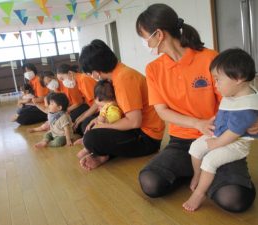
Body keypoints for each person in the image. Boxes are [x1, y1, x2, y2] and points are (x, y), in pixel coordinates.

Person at [136, 3, 256, 212]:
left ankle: (205, 176)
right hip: (181, 142)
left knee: (234, 199)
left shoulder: (209, 58)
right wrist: (196, 123)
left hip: (221, 138)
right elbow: (161, 111)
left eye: (144, 36)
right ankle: (200, 172)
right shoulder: (153, 69)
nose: (144, 42)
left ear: (159, 34)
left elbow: (239, 96)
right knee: (150, 182)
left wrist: (252, 119)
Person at [182, 48, 258, 211]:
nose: (215, 85)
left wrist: (216, 143)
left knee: (210, 160)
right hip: (220, 135)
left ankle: (199, 193)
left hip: (235, 145)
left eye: (218, 80)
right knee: (195, 147)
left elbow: (234, 133)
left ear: (238, 78)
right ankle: (197, 175)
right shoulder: (235, 93)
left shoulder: (246, 108)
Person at [78, 39, 165, 170]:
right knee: (88, 124)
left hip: (146, 137)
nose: (91, 76)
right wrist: (99, 120)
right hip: (135, 128)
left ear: (95, 72)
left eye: (90, 73)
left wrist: (103, 126)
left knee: (91, 138)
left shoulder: (124, 78)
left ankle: (103, 154)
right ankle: (104, 154)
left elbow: (134, 122)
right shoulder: (117, 73)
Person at [77, 79, 122, 159]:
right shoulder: (106, 105)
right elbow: (101, 114)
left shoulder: (113, 107)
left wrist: (105, 120)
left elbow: (115, 116)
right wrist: (97, 119)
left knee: (93, 136)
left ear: (99, 98)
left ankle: (87, 149)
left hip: (109, 129)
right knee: (88, 125)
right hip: (101, 126)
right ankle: (84, 139)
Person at [56, 64, 98, 135]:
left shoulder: (84, 79)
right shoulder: (78, 81)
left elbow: (97, 104)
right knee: (76, 124)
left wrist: (80, 119)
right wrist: (79, 118)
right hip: (93, 108)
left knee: (82, 126)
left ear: (70, 73)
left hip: (101, 109)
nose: (63, 82)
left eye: (62, 79)